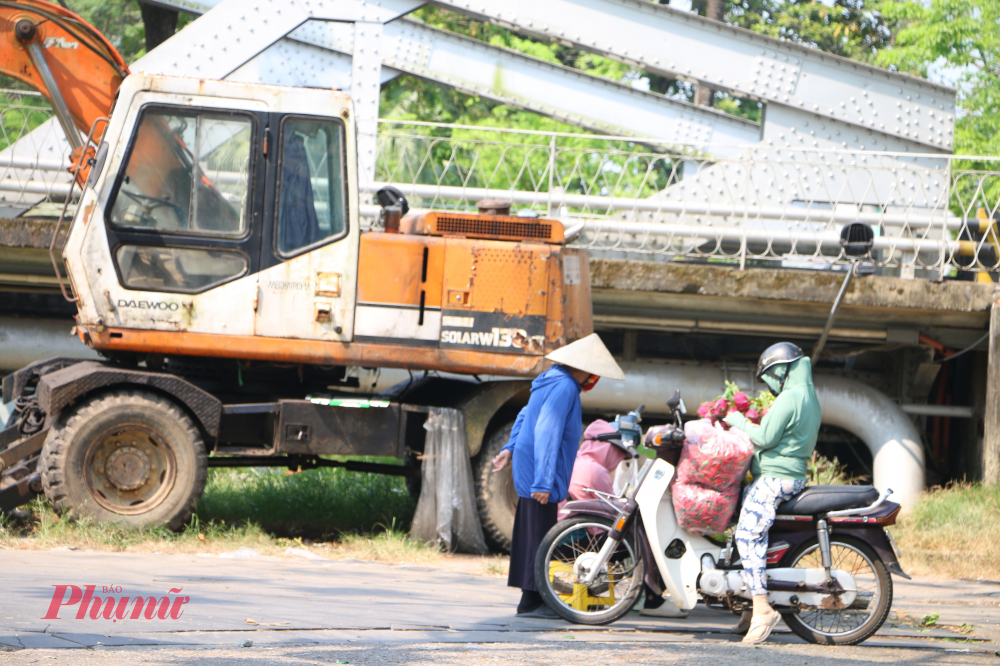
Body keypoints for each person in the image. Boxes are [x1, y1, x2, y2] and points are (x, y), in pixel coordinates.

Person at [491, 333, 625, 618]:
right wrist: (543, 481)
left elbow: (525, 415)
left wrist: (509, 448)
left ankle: (532, 599)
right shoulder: (565, 387)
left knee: (532, 532)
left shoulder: (549, 379)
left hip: (529, 463)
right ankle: (533, 601)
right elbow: (547, 431)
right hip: (539, 470)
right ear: (587, 369)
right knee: (540, 536)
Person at [723, 342, 821, 645]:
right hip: (790, 477)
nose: (770, 384)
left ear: (782, 371)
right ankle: (747, 606)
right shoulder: (809, 396)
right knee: (748, 532)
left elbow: (765, 437)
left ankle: (763, 608)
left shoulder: (790, 397)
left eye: (770, 376)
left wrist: (738, 420)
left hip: (776, 479)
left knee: (747, 536)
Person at [562, 419, 687, 619]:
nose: (618, 459)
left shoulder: (578, 461)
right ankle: (652, 598)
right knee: (640, 539)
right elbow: (615, 513)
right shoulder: (595, 470)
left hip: (569, 534)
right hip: (584, 538)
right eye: (617, 452)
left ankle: (636, 594)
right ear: (606, 448)